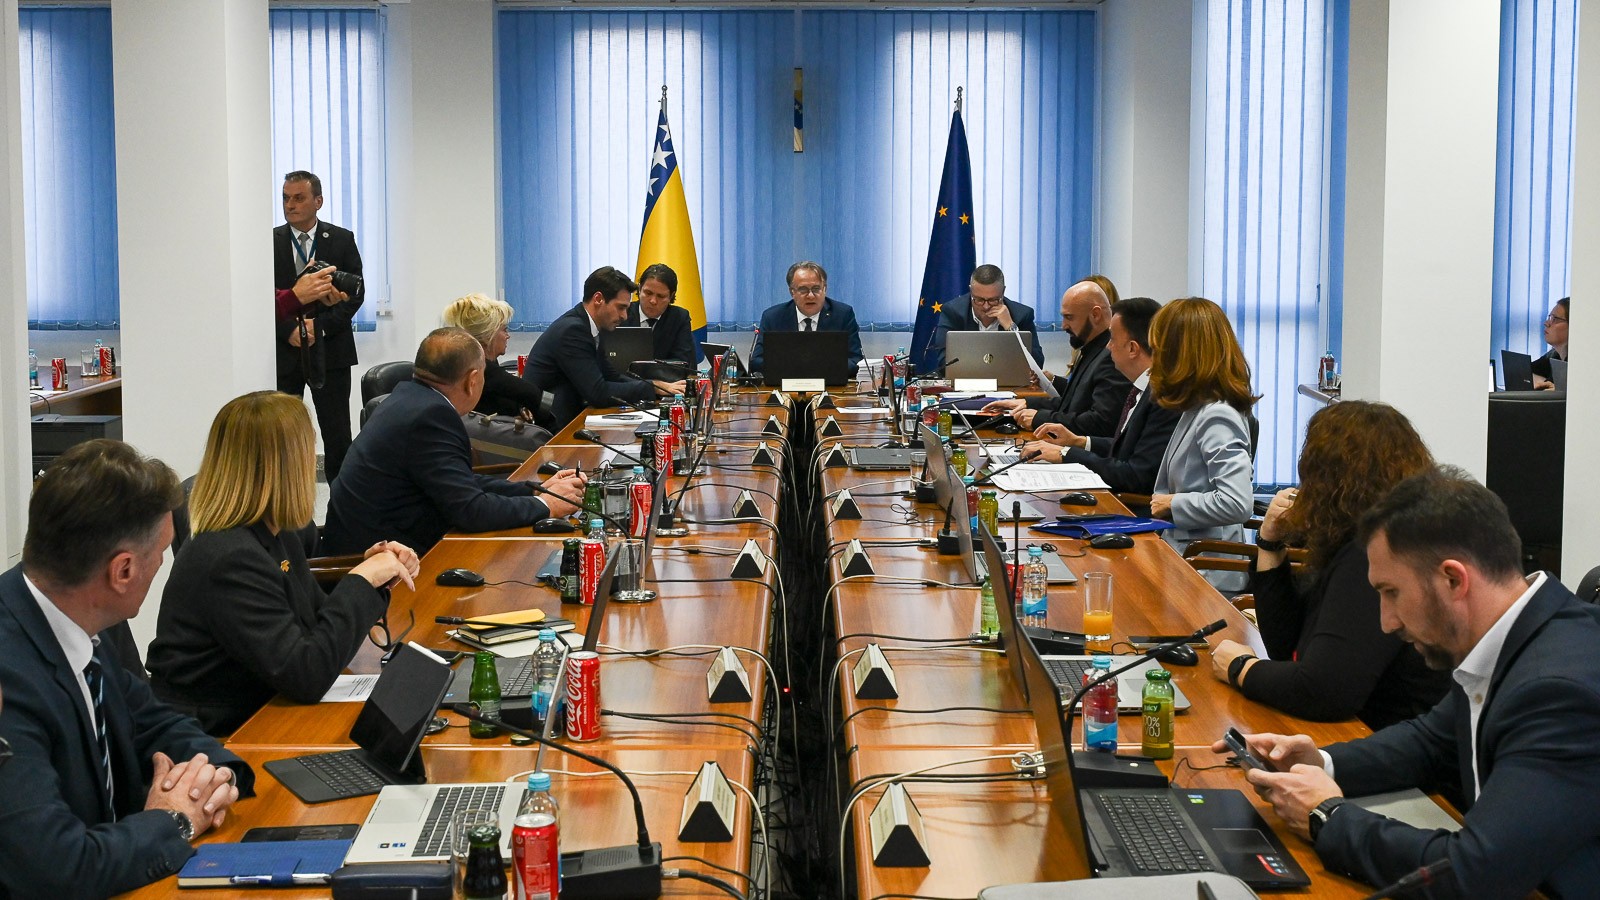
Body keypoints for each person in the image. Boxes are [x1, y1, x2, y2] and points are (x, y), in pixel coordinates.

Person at [1216, 468, 1600, 899]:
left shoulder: (1558, 691)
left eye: (1391, 592)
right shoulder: (1516, 635)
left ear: (1453, 580)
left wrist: (1327, 816)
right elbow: (1431, 743)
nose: (1386, 622)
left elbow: (1474, 873)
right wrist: (1319, 763)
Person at [0, 440, 254, 897]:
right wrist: (173, 820)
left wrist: (214, 778)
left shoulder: (81, 614)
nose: (163, 564)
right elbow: (56, 867)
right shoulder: (9, 677)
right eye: (162, 551)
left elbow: (154, 721)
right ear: (123, 571)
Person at [148, 393, 421, 736]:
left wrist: (372, 576)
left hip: (262, 711)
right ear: (286, 467)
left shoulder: (275, 533)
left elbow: (314, 623)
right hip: (217, 737)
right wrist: (361, 582)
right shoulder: (230, 558)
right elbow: (307, 674)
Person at [1206, 402, 1450, 729]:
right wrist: (1270, 542)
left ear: (1330, 479)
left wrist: (1241, 668)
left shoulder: (1375, 555)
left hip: (1383, 740)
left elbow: (1323, 691)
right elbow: (1286, 646)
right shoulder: (1354, 539)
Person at [322, 328, 588, 555]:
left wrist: (536, 491)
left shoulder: (410, 397)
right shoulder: (432, 416)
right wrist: (547, 506)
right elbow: (471, 510)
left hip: (385, 542)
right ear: (472, 380)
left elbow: (460, 482)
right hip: (373, 563)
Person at [1146, 297, 1255, 584]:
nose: (1152, 362)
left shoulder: (1217, 415)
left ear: (1180, 356)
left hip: (1207, 571)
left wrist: (1174, 503)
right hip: (1184, 557)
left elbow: (1237, 503)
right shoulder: (1196, 408)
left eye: (1157, 351)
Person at [1021, 297, 1179, 495]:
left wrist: (1066, 453)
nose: (1107, 347)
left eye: (1112, 339)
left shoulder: (1163, 399)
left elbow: (1136, 475)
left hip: (1131, 506)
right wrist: (1079, 442)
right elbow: (1125, 447)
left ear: (1132, 348)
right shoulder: (1142, 389)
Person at [274, 170, 364, 481]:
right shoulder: (268, 241)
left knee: (337, 433)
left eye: (299, 198)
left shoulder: (341, 239)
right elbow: (258, 299)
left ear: (318, 201)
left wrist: (319, 327)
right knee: (280, 433)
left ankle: (342, 499)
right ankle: (284, 496)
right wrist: (289, 330)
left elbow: (355, 294)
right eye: (286, 198)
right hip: (284, 352)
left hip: (331, 350)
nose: (290, 205)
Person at [522, 266, 686, 432]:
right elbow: (598, 393)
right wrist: (651, 387)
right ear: (598, 299)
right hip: (549, 428)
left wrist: (656, 386)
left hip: (568, 417)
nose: (624, 316)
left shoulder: (589, 326)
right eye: (621, 307)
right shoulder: (572, 330)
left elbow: (611, 376)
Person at [979, 277, 1130, 434]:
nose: (1063, 325)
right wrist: (1026, 403)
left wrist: (1039, 418)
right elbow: (1071, 405)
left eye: (1069, 317)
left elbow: (1100, 423)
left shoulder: (1111, 357)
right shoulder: (1091, 350)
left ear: (1096, 315)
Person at [749, 261, 864, 374]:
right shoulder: (773, 317)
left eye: (816, 289)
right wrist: (793, 367)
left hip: (830, 383)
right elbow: (756, 362)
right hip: (786, 383)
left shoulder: (843, 315)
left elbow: (856, 360)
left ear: (824, 289)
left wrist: (819, 368)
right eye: (803, 289)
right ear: (792, 292)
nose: (810, 296)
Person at [924, 264, 1044, 373]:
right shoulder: (952, 312)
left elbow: (1037, 364)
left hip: (1009, 385)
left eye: (993, 300)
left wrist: (1010, 327)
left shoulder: (1022, 315)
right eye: (979, 300)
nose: (986, 306)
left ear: (1003, 292)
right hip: (965, 384)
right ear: (971, 291)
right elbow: (944, 362)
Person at [443, 293, 545, 420]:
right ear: (487, 336)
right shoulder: (484, 370)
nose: (508, 336)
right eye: (504, 330)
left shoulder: (467, 365)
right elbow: (534, 395)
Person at [626, 263, 697, 364]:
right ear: (640, 289)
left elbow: (682, 362)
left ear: (671, 296)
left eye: (660, 296)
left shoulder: (679, 318)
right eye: (648, 293)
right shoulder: (622, 313)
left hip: (666, 375)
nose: (653, 301)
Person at [1531, 296, 1569, 389]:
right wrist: (1544, 382)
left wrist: (1559, 390)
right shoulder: (1553, 355)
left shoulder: (1581, 363)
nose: (1546, 323)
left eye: (1555, 319)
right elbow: (1526, 371)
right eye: (1550, 317)